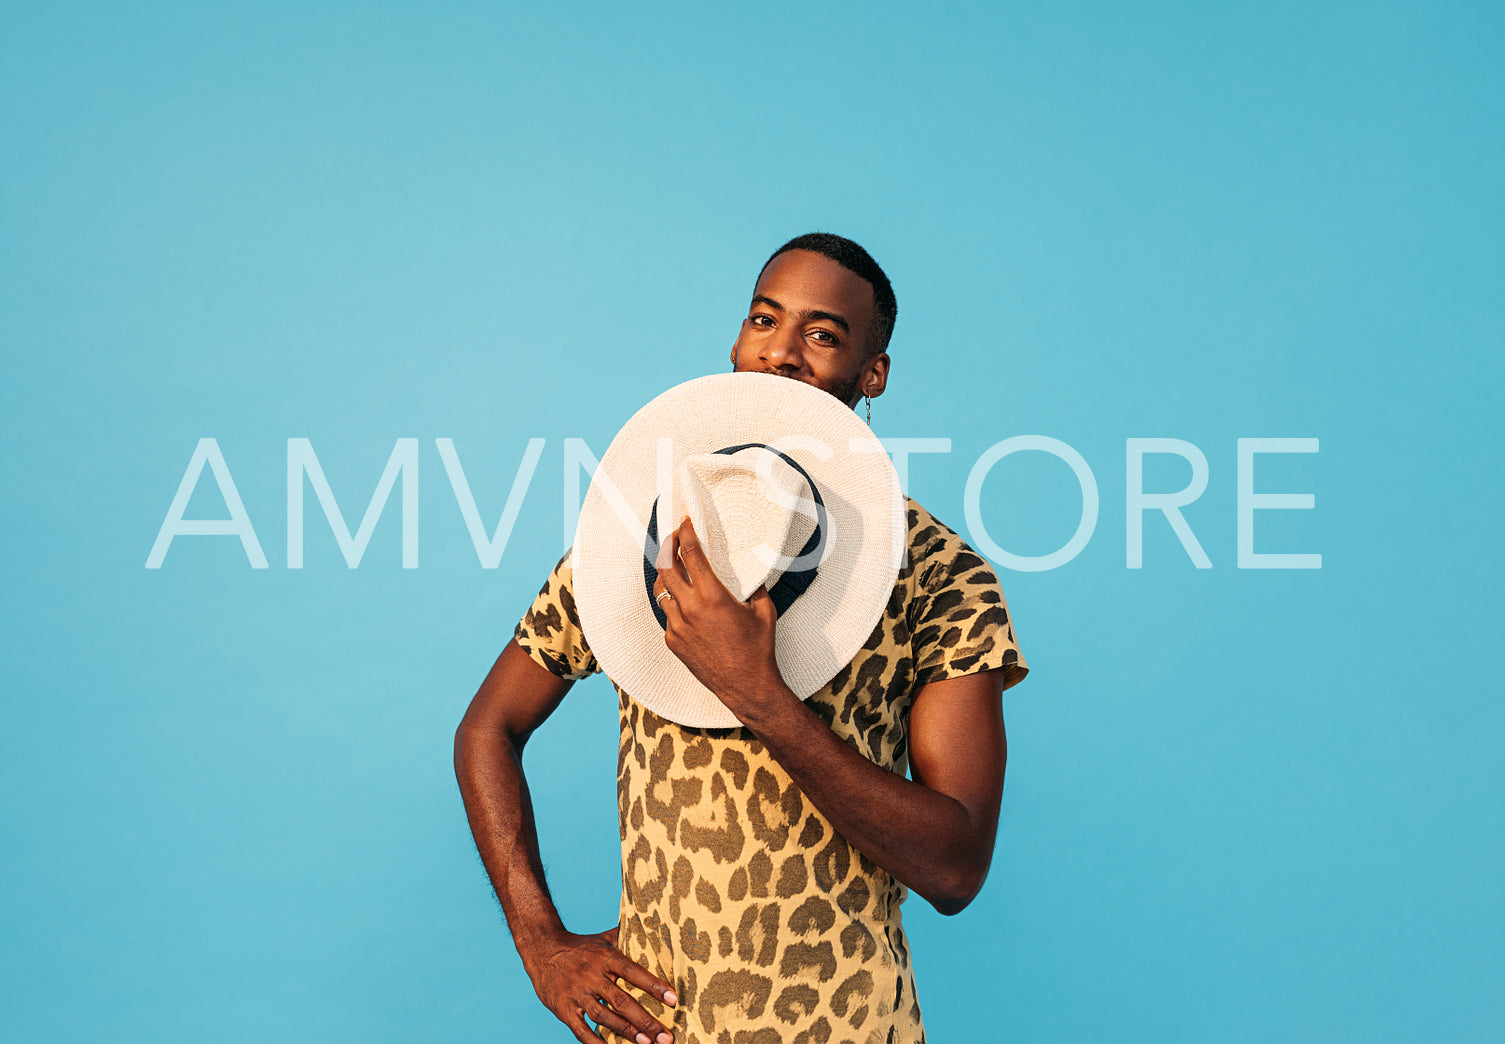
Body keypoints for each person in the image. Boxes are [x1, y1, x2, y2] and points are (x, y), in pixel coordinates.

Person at [455, 233, 1029, 1044]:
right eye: (765, 319)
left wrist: (758, 694)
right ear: (735, 341)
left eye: (822, 334)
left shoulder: (935, 572)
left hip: (850, 1025)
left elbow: (954, 867)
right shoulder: (634, 535)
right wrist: (539, 941)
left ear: (874, 375)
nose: (782, 353)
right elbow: (488, 727)